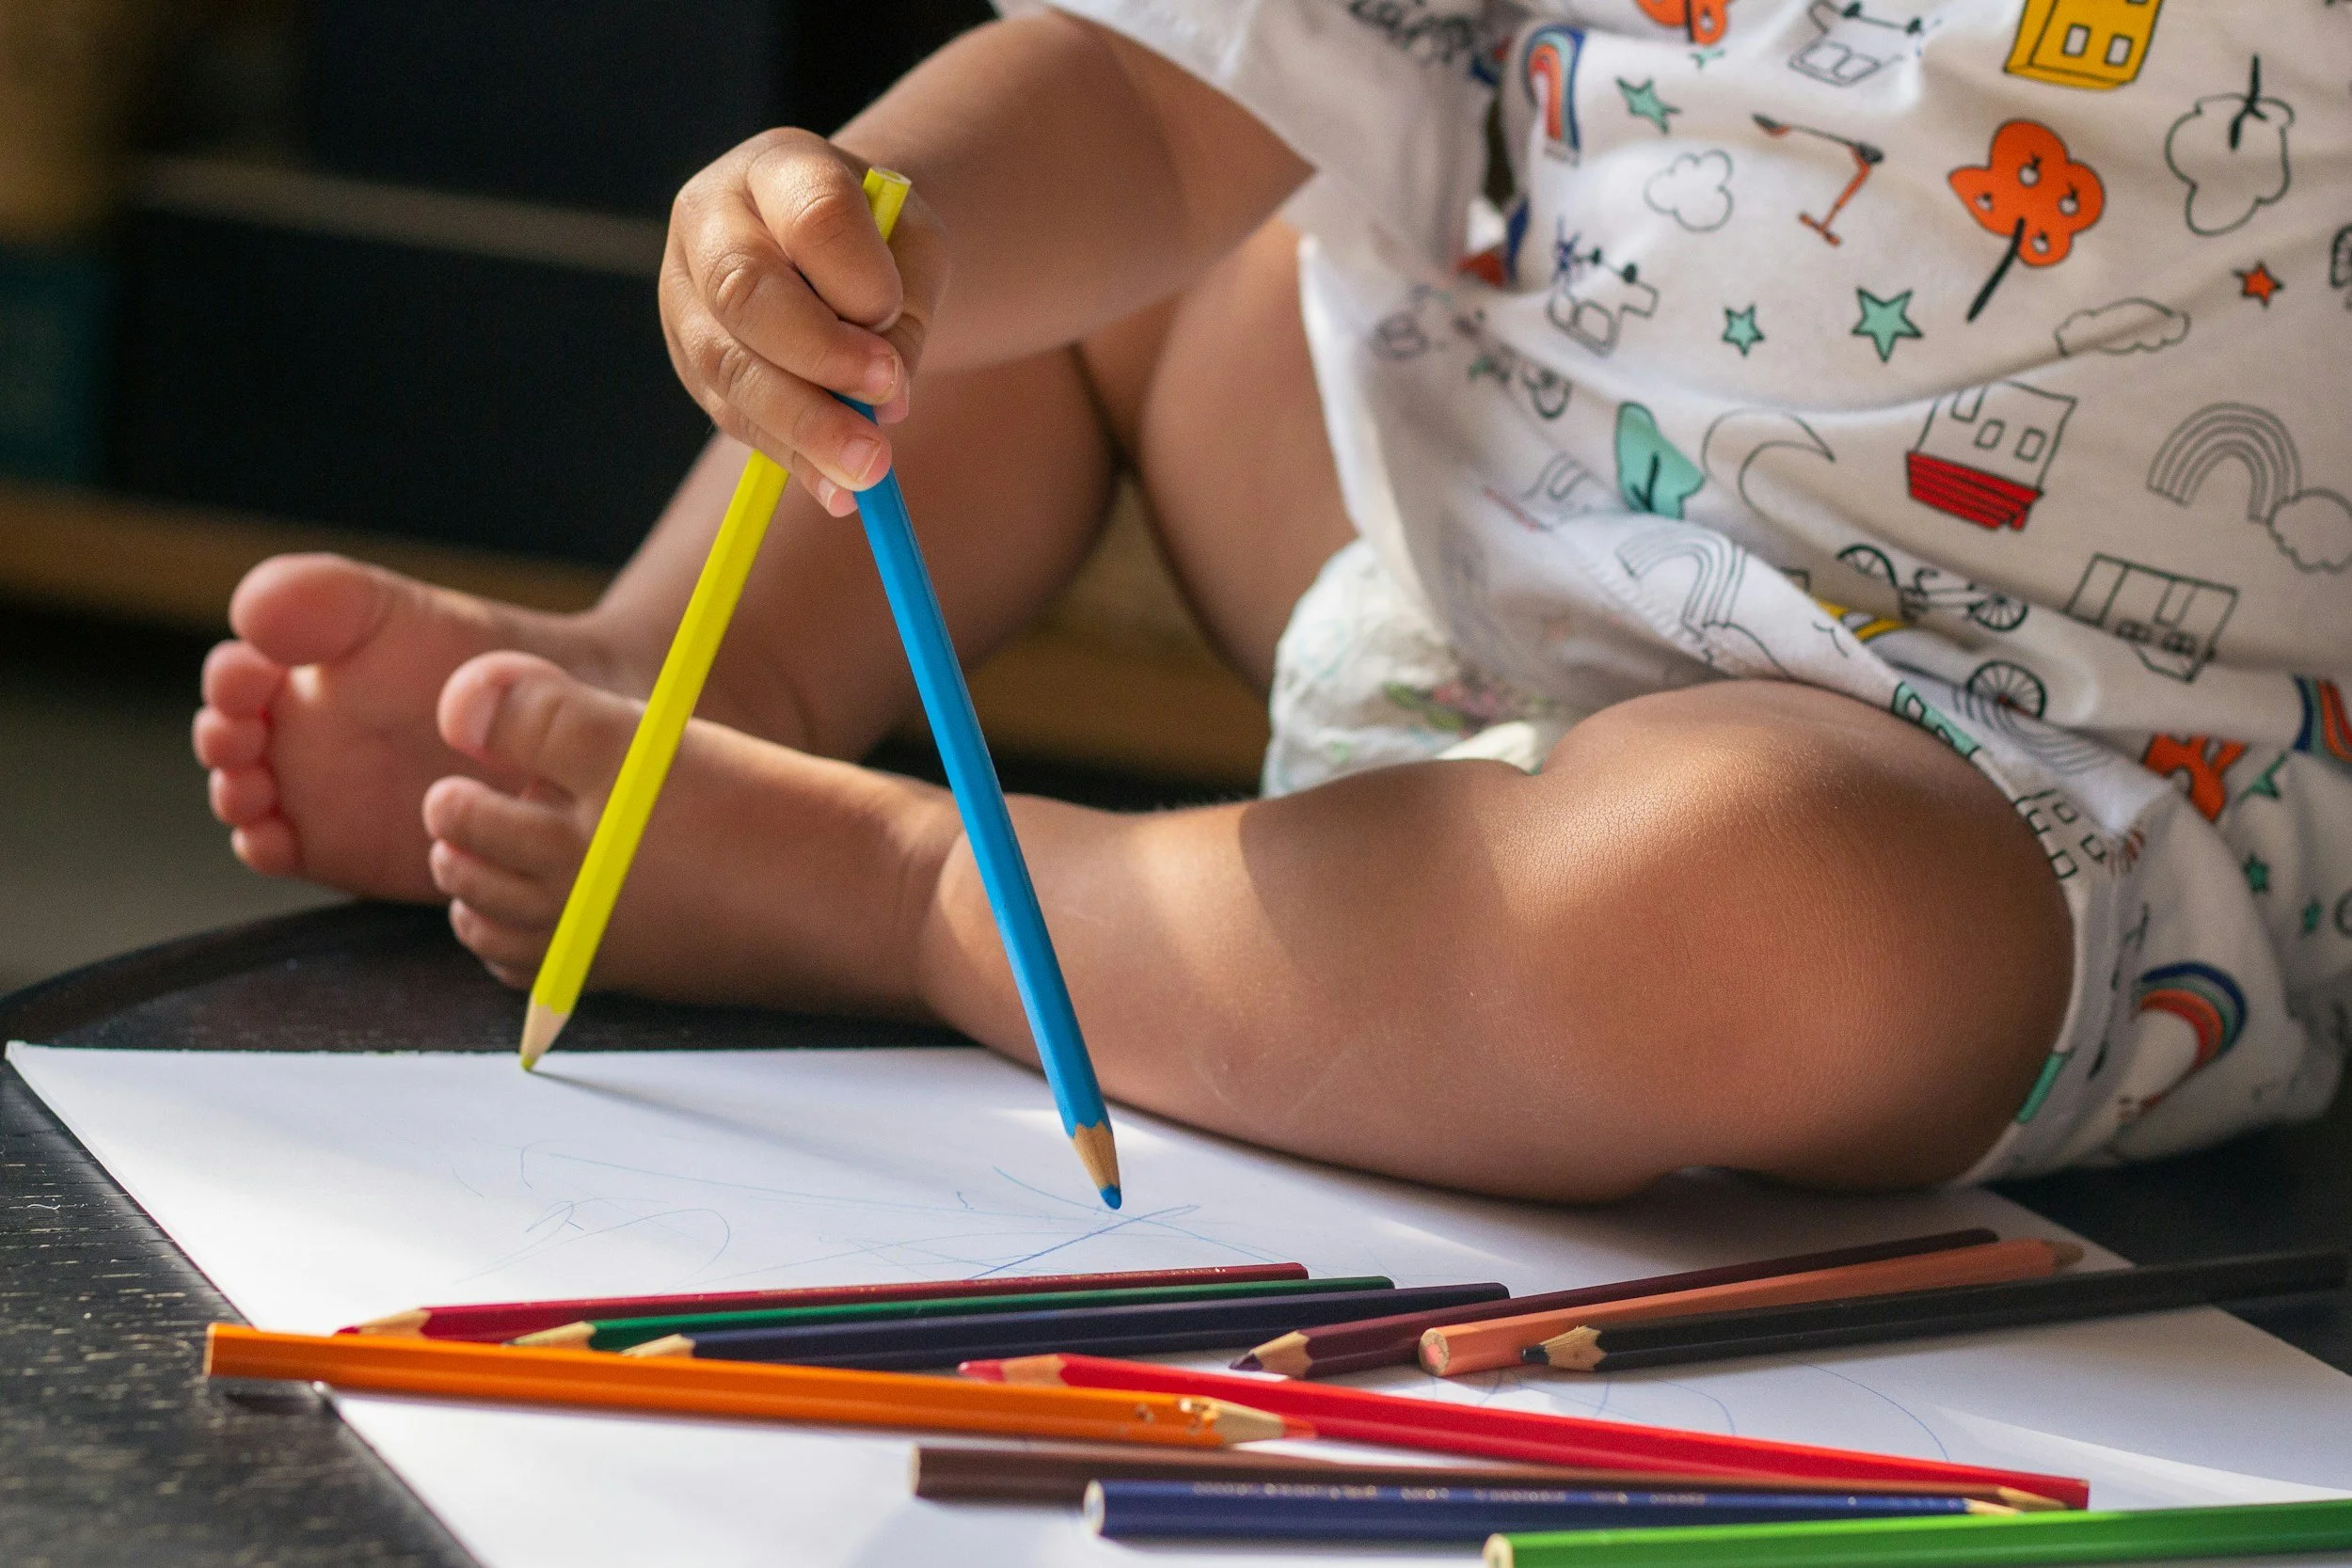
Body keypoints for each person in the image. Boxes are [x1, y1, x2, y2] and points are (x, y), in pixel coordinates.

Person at [191, 2, 2348, 1202]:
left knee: (1739, 912)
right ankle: (679, 669)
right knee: (1031, 284)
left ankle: (915, 890)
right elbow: (1157, 90)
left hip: (2013, 775)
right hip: (1465, 540)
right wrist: (856, 231)